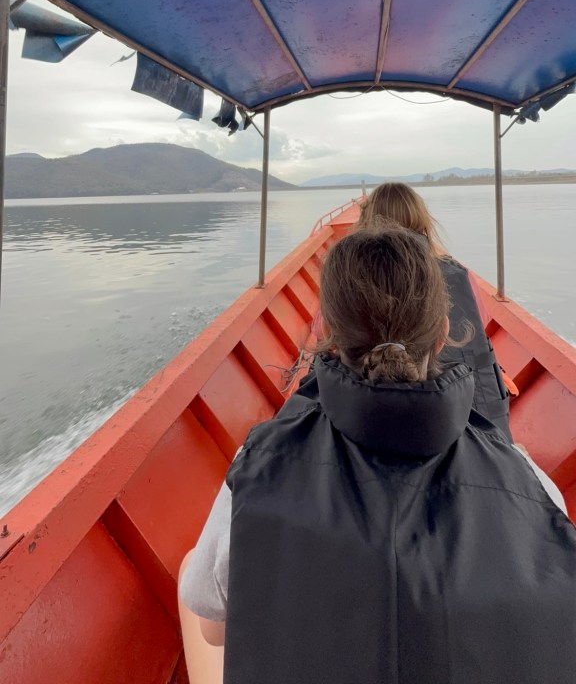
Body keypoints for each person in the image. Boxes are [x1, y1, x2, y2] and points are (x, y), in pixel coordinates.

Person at [179, 228, 574, 684]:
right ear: (444, 332)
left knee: (194, 568)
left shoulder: (259, 465)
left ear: (327, 332)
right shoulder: (530, 486)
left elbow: (212, 628)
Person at [355, 182, 512, 439]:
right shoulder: (457, 273)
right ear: (421, 219)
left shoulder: (352, 273)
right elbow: (479, 323)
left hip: (374, 418)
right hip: (473, 420)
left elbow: (326, 333)